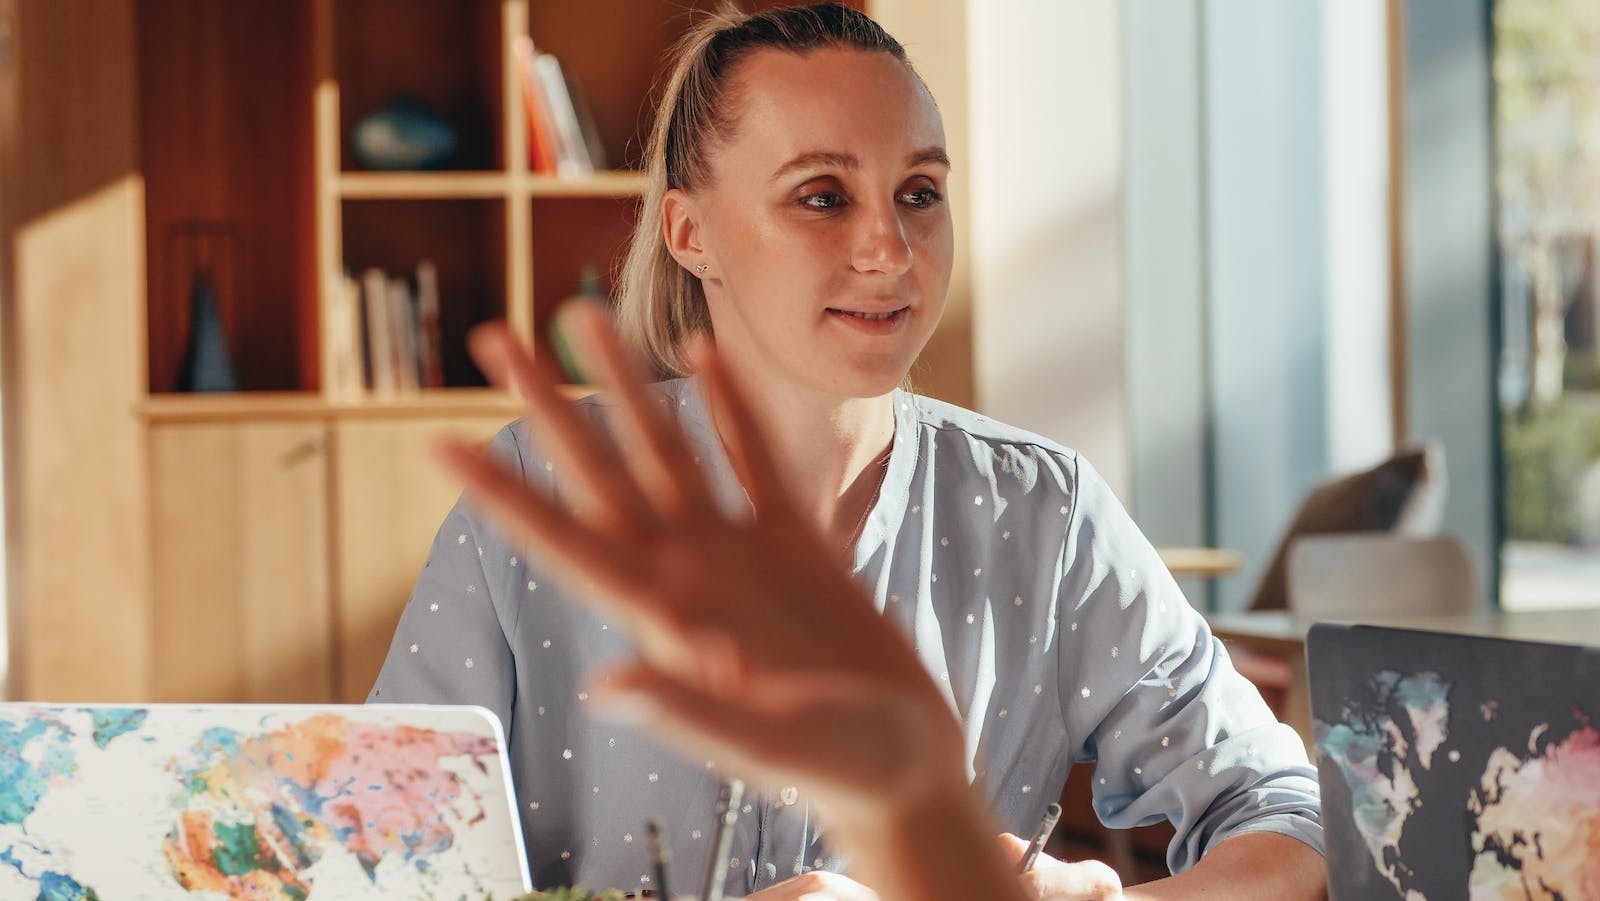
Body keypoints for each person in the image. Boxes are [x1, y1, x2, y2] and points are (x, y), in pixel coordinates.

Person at [371, 4, 1327, 899]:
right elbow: (380, 865)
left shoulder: (1046, 511)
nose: (891, 248)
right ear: (689, 231)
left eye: (920, 193)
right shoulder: (538, 486)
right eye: (822, 197)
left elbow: (1292, 812)